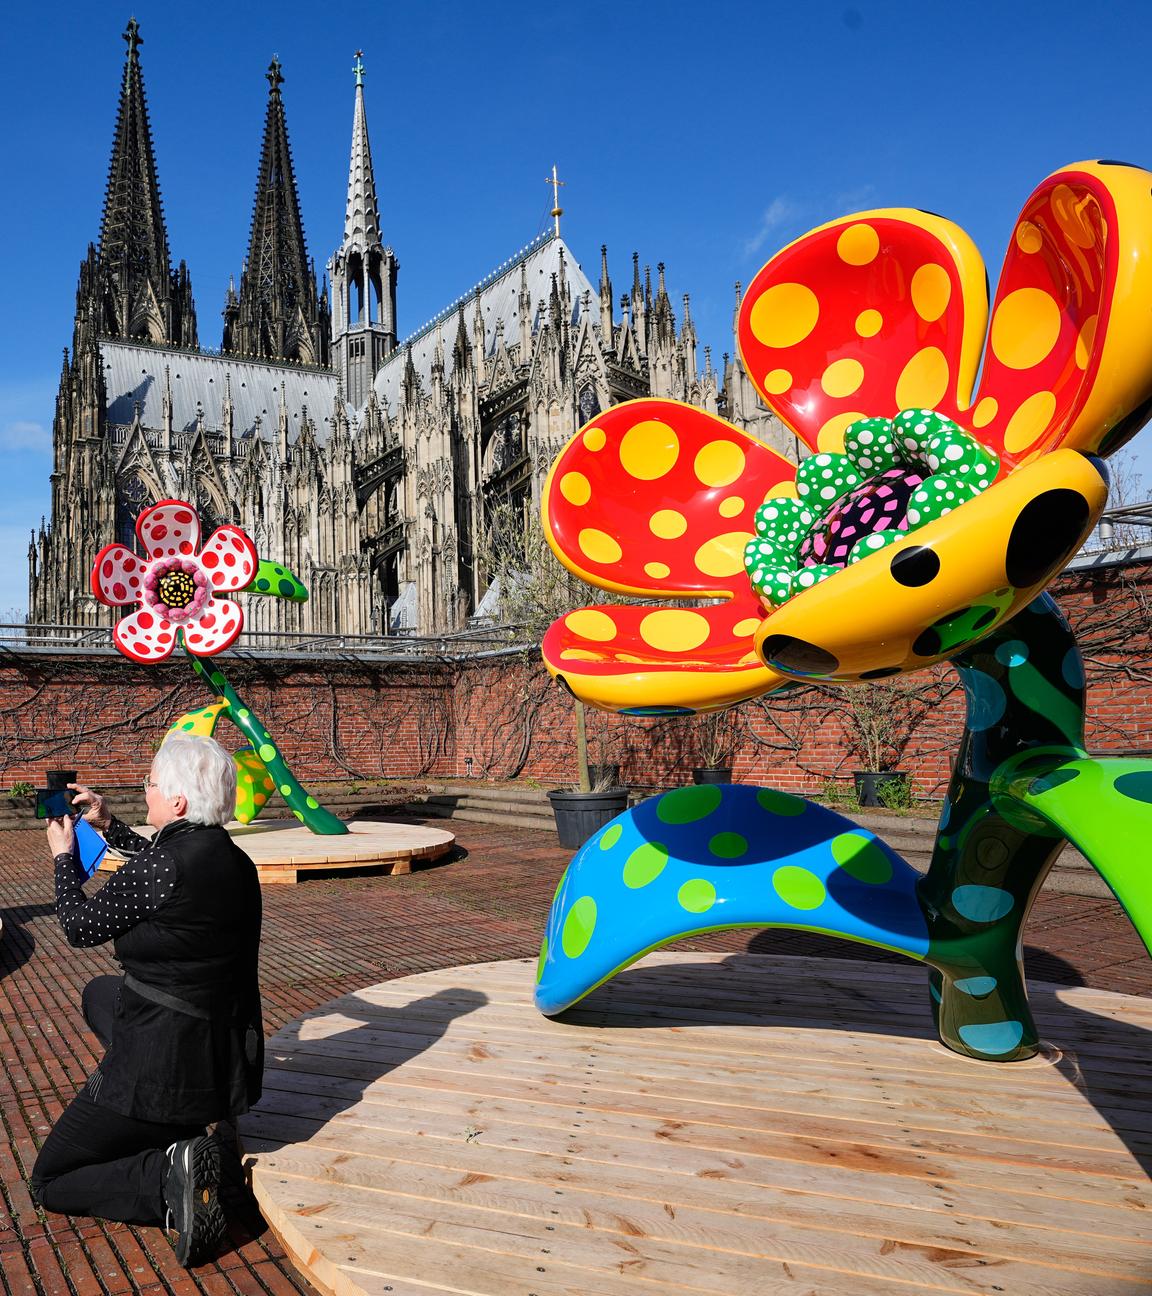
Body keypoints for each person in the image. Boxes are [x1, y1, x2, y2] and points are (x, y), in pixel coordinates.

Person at [31, 734, 264, 1267]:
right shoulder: (233, 860)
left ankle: (166, 1178)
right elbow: (165, 860)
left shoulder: (159, 870)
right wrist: (109, 824)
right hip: (224, 1055)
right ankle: (175, 1130)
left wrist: (64, 856)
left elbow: (76, 926)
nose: (147, 789)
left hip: (165, 1067)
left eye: (152, 783)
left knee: (50, 1178)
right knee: (99, 994)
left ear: (177, 801)